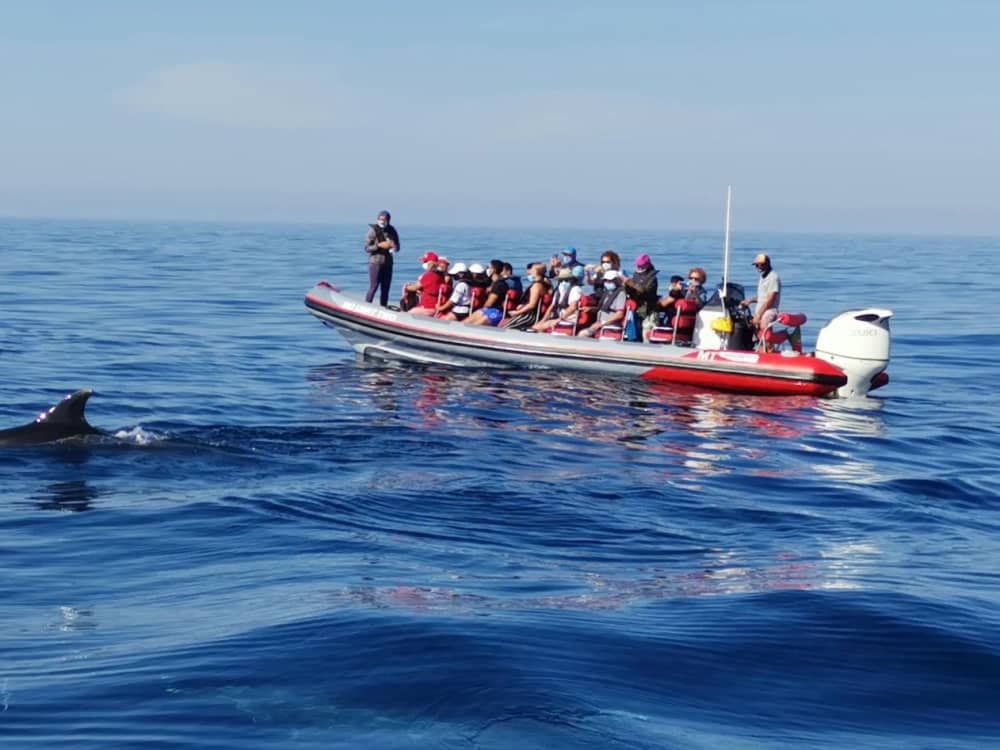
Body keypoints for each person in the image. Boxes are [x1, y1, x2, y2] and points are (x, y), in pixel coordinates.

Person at [741, 253, 782, 346]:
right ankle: (760, 348)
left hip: (770, 309)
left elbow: (770, 300)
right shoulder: (763, 277)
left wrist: (759, 315)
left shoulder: (773, 277)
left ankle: (770, 347)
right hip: (762, 309)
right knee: (755, 331)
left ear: (767, 264)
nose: (758, 267)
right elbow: (762, 297)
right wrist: (749, 301)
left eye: (761, 265)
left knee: (764, 324)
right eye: (757, 265)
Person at [363, 210, 400, 306]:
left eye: (384, 219)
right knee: (374, 286)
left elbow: (398, 247)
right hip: (375, 262)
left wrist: (394, 247)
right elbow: (367, 248)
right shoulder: (373, 231)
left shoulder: (392, 230)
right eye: (380, 219)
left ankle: (383, 307)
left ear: (388, 220)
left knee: (386, 288)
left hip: (388, 263)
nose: (382, 221)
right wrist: (378, 245)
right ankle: (367, 305)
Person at [533, 266, 584, 332]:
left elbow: (573, 307)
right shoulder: (558, 290)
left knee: (536, 328)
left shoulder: (575, 289)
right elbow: (552, 306)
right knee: (538, 325)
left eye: (566, 280)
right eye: (561, 280)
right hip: (558, 317)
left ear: (571, 280)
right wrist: (543, 320)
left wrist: (559, 319)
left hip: (569, 319)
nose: (563, 282)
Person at [578, 270, 627, 337]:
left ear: (616, 281)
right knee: (582, 332)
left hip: (609, 324)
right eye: (606, 280)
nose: (607, 282)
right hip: (600, 322)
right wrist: (590, 308)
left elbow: (619, 314)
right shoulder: (607, 292)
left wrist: (603, 324)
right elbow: (601, 308)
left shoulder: (621, 294)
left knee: (582, 334)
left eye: (610, 281)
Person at [504, 263, 551, 329]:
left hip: (530, 316)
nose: (529, 272)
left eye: (531, 270)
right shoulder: (544, 284)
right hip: (531, 314)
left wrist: (517, 312)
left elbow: (532, 305)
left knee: (506, 328)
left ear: (536, 272)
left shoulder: (536, 286)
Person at [466, 260, 511, 326]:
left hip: (496, 312)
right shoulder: (491, 282)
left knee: (474, 325)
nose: (488, 269)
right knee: (466, 322)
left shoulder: (499, 285)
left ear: (494, 270)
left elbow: (489, 303)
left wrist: (483, 308)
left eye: (489, 267)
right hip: (489, 309)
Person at [406, 250, 447, 316]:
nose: (423, 263)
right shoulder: (440, 274)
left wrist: (407, 287)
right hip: (434, 305)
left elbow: (414, 288)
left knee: (409, 314)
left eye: (425, 262)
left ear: (430, 263)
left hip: (428, 308)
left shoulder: (429, 275)